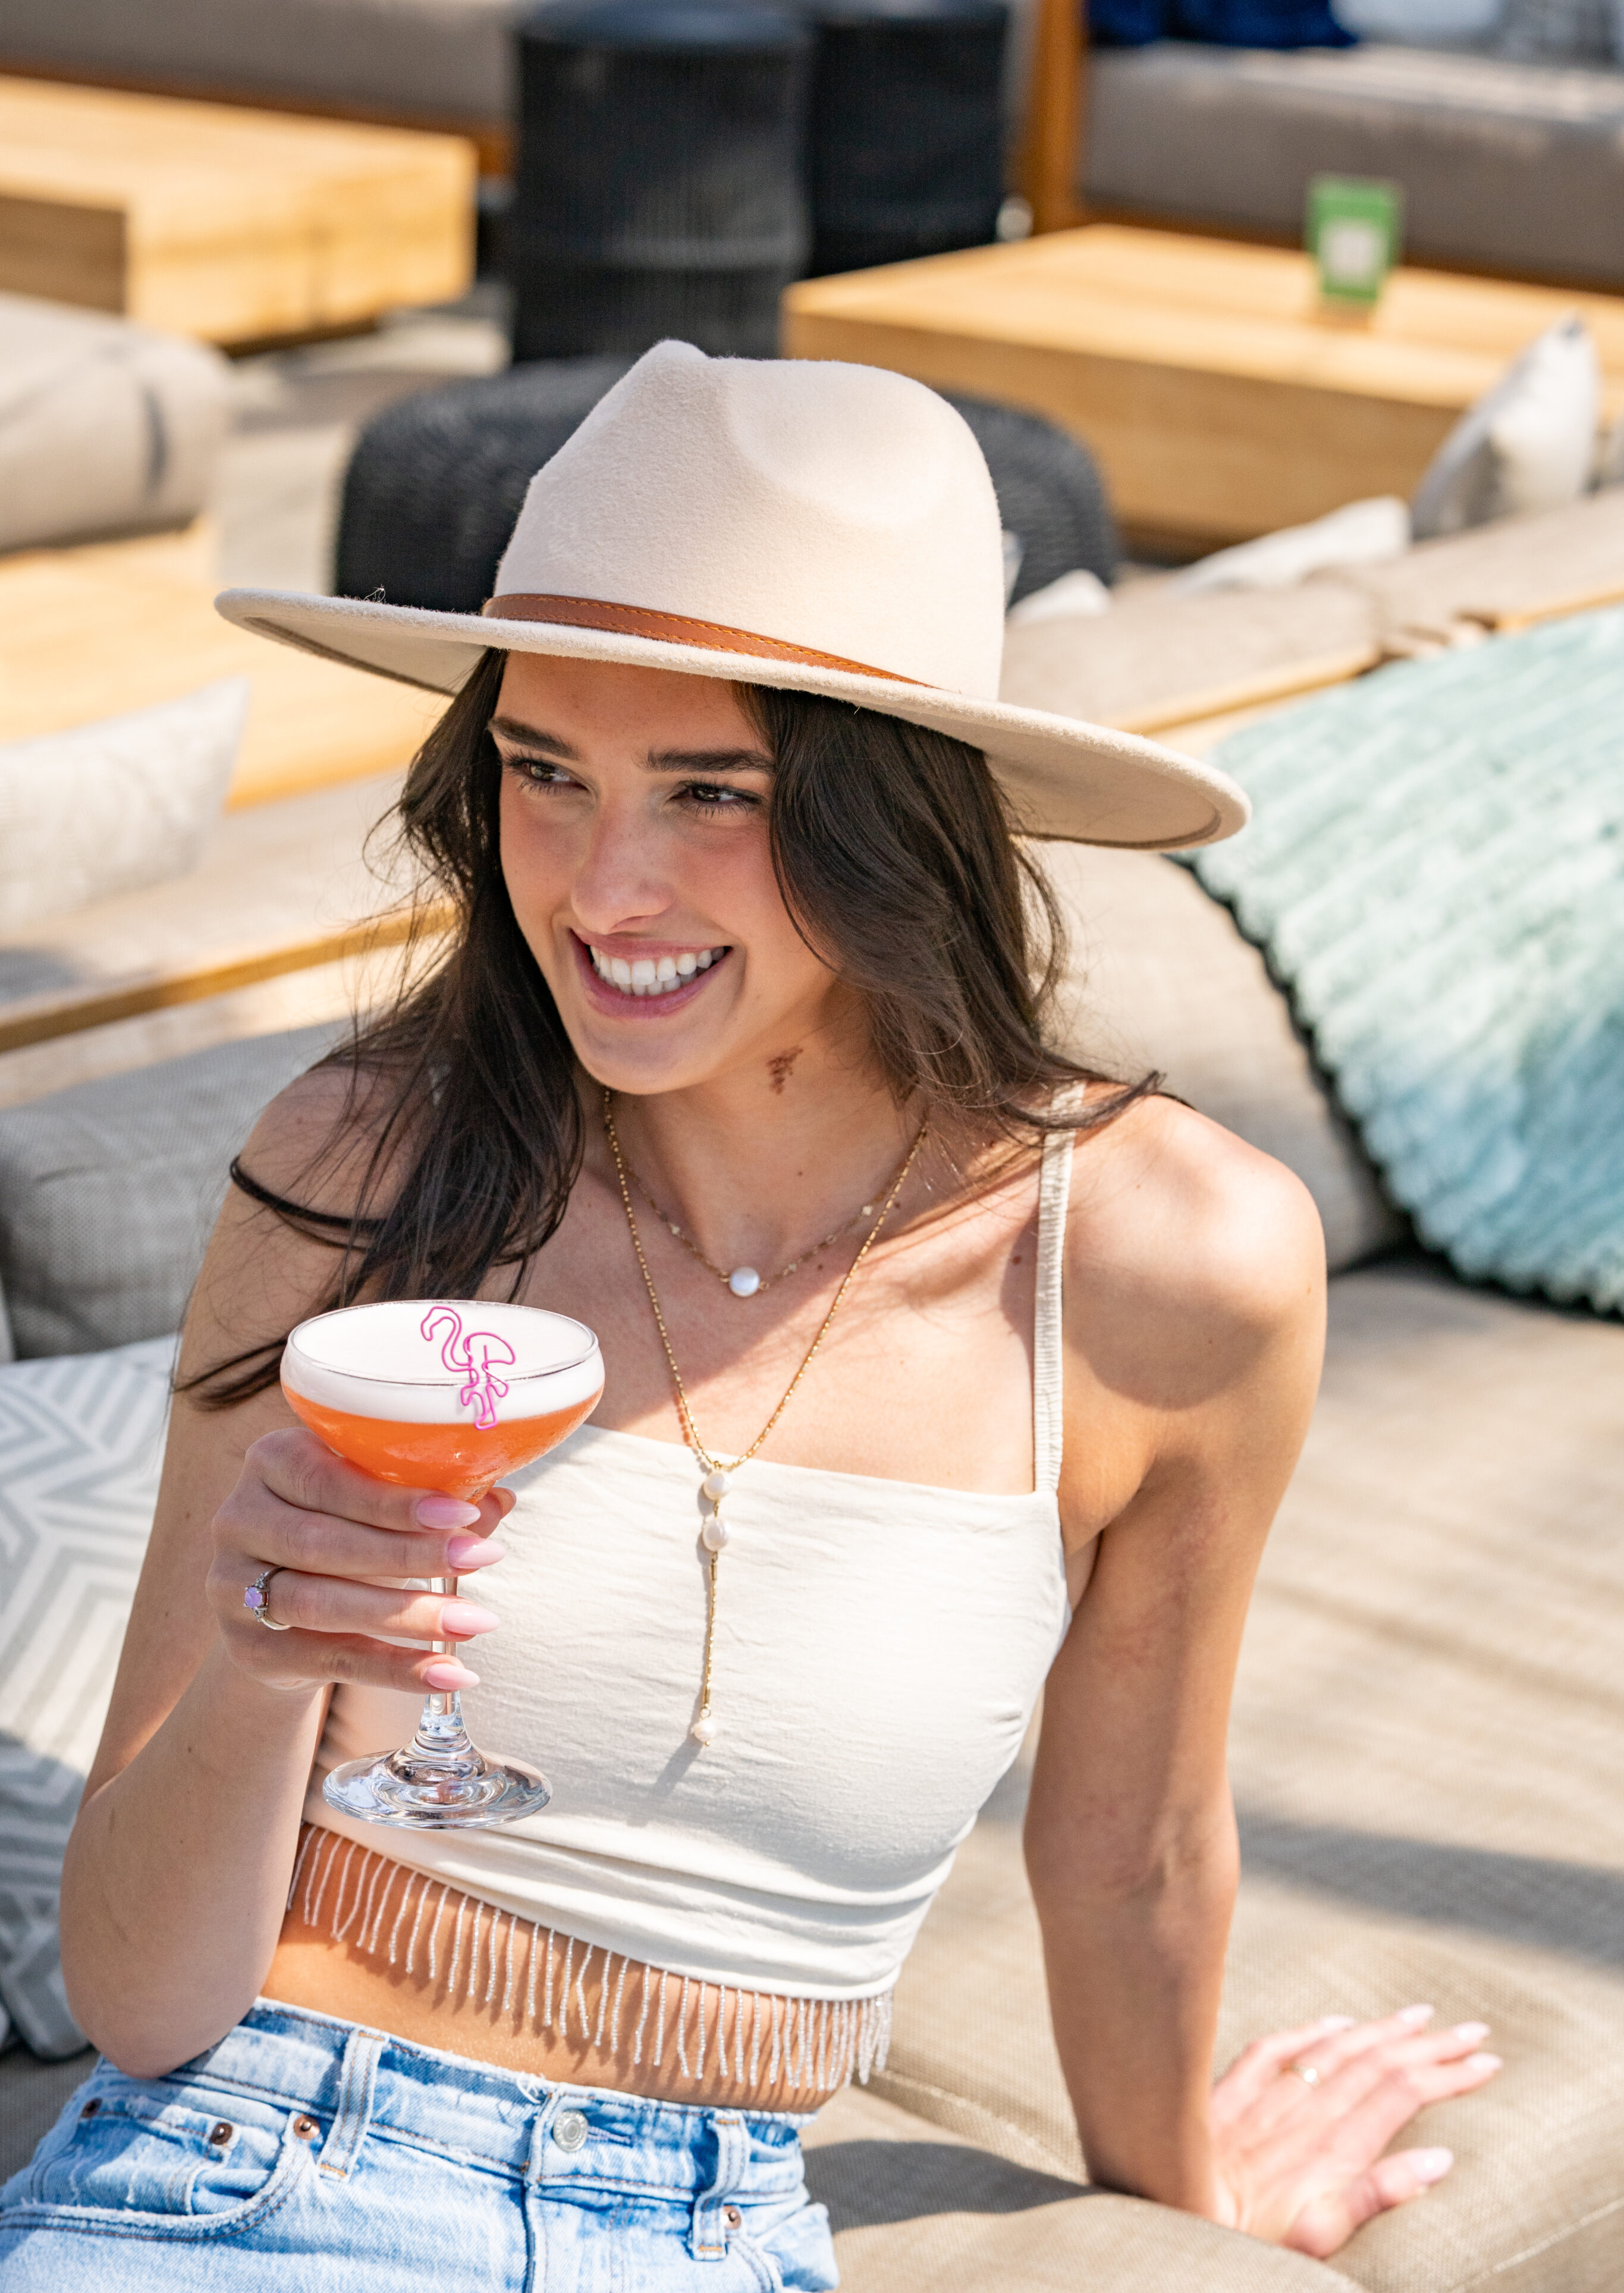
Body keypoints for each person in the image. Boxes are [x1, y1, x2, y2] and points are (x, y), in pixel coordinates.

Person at [0, 346, 1497, 2289]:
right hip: (249, 2171)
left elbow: (1125, 1852)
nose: (601, 885)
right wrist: (267, 1660)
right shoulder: (365, 1164)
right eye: (545, 772)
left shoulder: (1167, 1268)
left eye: (711, 792)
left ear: (898, 827)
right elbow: (133, 1993)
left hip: (710, 2231)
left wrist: (1192, 2199)